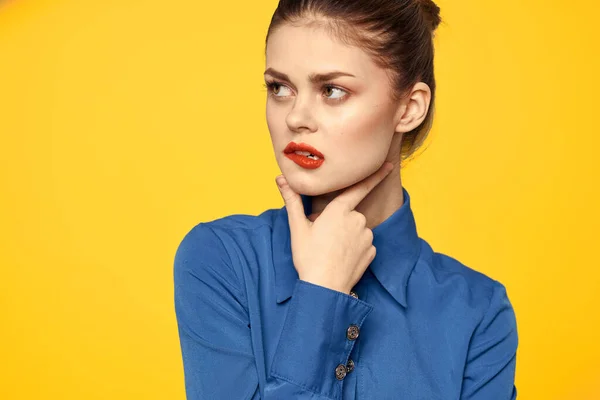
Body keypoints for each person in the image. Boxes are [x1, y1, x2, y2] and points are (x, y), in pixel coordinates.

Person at [173, 0, 519, 398]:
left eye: (332, 90)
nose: (295, 117)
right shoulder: (222, 261)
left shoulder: (478, 313)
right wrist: (322, 291)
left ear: (409, 108)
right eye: (280, 88)